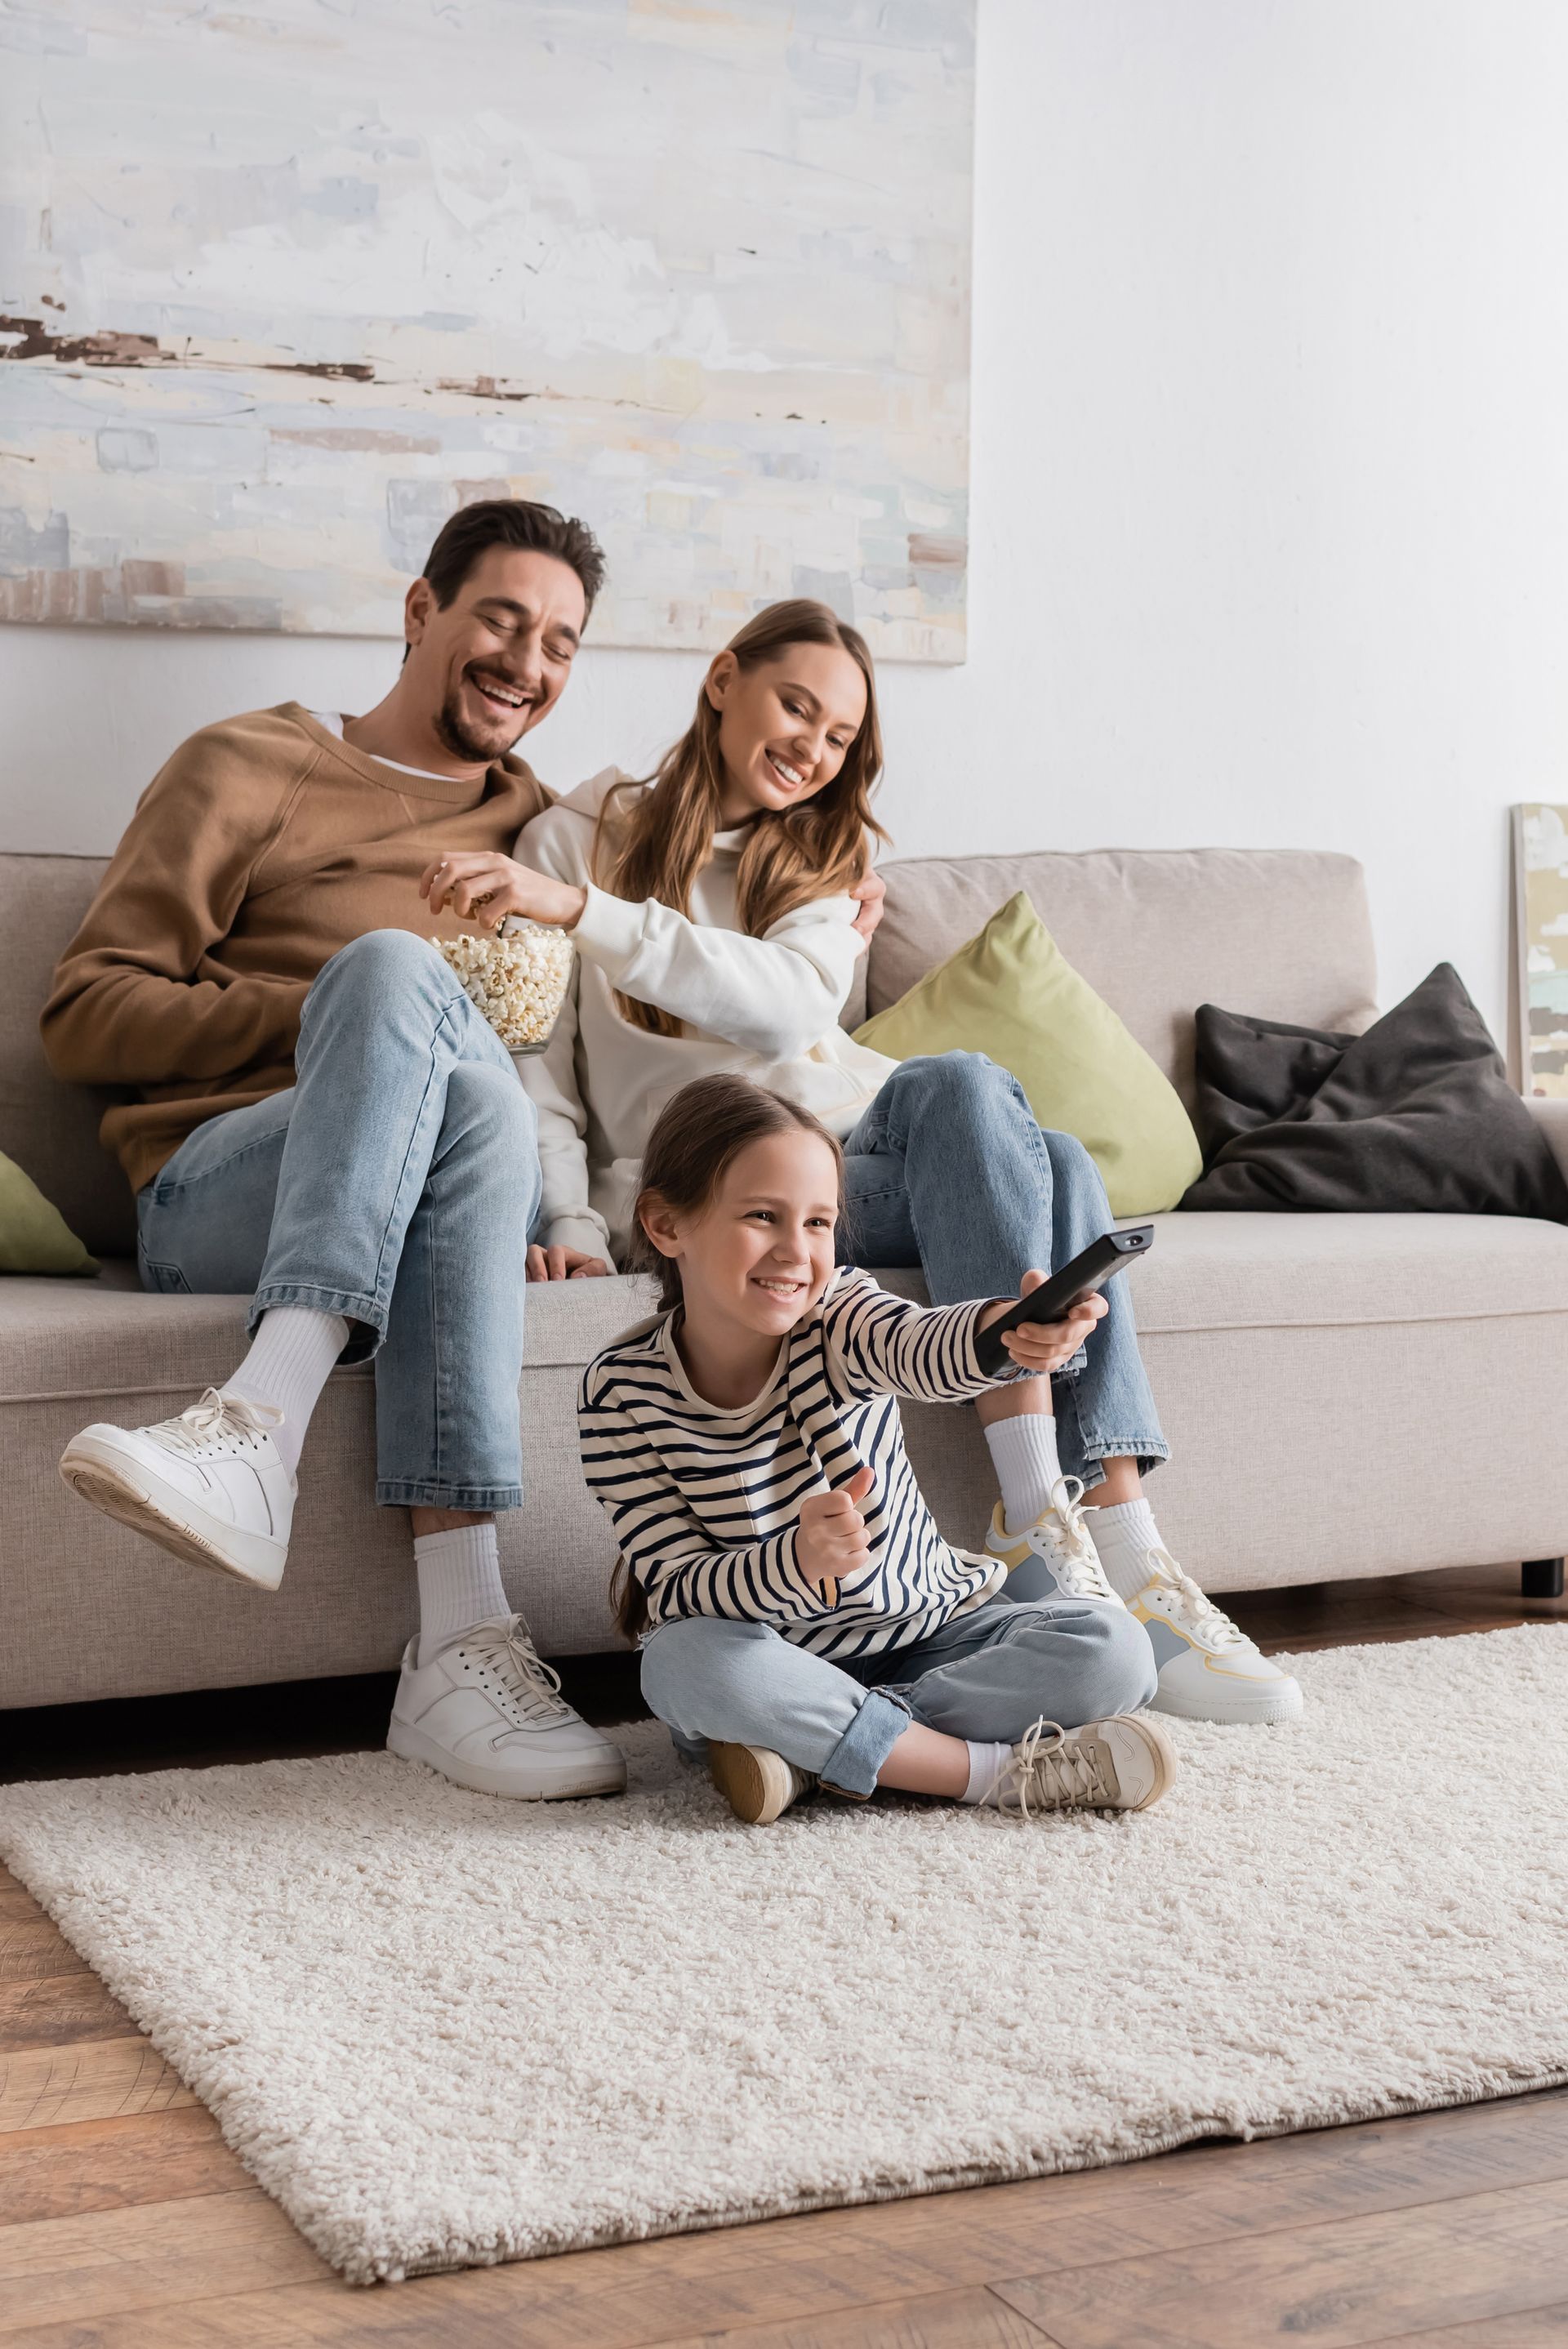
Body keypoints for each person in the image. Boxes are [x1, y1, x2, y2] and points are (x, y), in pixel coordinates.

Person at [421, 599, 1302, 1727]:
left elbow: (785, 1002)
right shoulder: (568, 841)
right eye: (797, 706)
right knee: (1056, 1160)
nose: (812, 747)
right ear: (724, 678)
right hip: (725, 1185)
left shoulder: (827, 862)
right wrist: (575, 1224)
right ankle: (1085, 1533)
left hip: (854, 1170)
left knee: (1003, 1118)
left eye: (840, 738)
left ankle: (1093, 1526)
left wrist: (583, 914)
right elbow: (541, 1069)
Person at [41, 499, 738, 1803]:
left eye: (563, 644)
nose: (528, 663)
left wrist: (560, 1210)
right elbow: (83, 1014)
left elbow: (641, 943)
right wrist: (339, 1014)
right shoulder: (245, 765)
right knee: (391, 971)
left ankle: (406, 1585)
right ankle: (331, 1497)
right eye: (501, 619)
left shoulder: (534, 826)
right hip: (218, 1188)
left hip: (440, 1172)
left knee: (471, 1099)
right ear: (422, 613)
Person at [578, 1073, 1175, 1825]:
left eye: (820, 1223)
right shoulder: (620, 1392)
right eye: (764, 1216)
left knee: (1116, 1647)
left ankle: (815, 1752)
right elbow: (677, 1587)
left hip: (930, 1634)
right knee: (677, 1662)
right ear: (667, 1226)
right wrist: (793, 1566)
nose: (797, 1252)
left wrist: (1006, 1332)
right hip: (771, 1656)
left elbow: (924, 1346)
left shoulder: (840, 1313)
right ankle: (984, 1773)